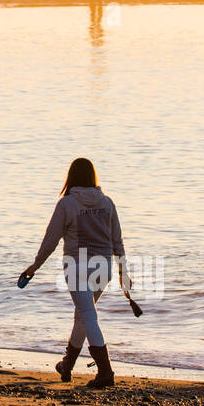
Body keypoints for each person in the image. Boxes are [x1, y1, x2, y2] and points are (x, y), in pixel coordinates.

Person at [19, 157, 129, 388]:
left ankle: (106, 372)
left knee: (87, 315)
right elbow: (117, 240)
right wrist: (122, 272)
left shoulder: (67, 204)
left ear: (71, 177)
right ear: (93, 177)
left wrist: (34, 266)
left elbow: (51, 240)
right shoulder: (107, 203)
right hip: (103, 267)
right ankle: (67, 365)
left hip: (77, 267)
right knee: (83, 316)